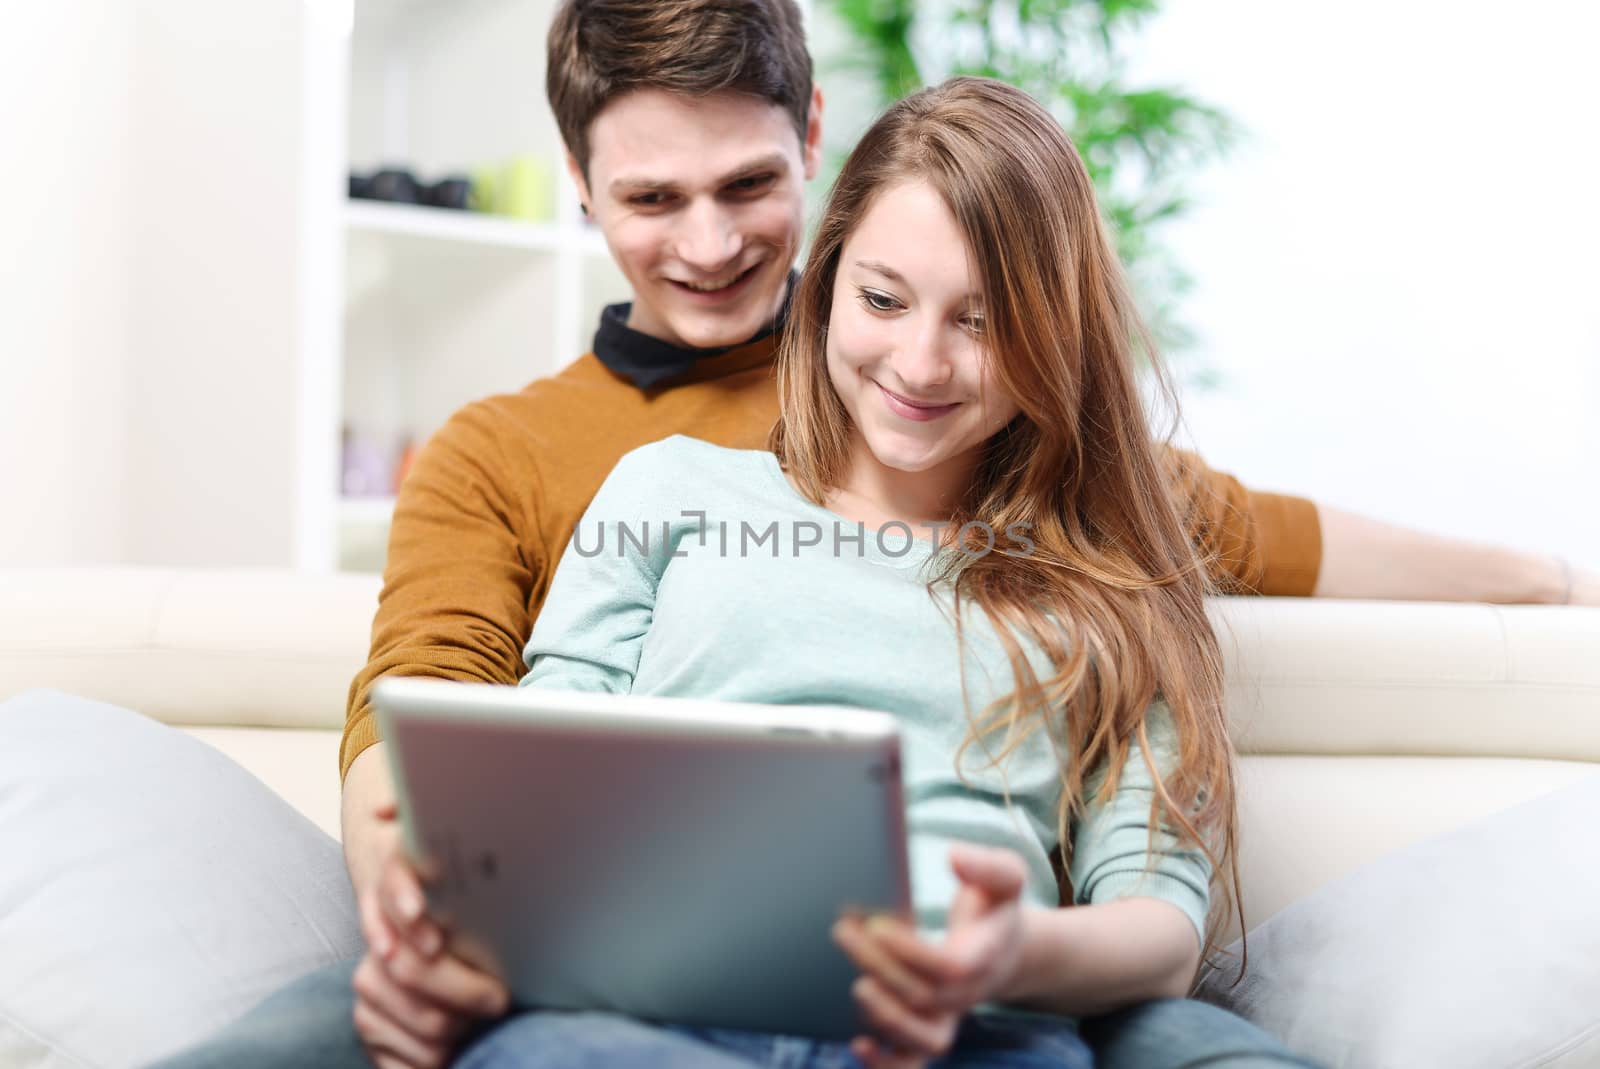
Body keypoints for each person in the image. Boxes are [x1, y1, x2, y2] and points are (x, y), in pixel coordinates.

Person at [157, 75, 1324, 1069]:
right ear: (823, 287)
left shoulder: (1110, 587)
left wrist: (1008, 951)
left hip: (965, 1032)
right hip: (639, 1021)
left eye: (983, 321)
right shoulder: (667, 491)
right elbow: (547, 765)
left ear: (1057, 335)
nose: (919, 360)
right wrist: (457, 924)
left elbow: (1156, 921)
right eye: (881, 299)